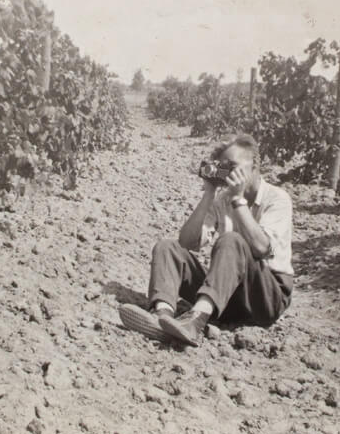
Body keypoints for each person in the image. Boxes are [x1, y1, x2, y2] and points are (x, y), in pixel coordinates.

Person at [119, 133, 294, 346]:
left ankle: (195, 320)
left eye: (233, 166)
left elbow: (261, 247)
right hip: (226, 297)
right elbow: (188, 242)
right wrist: (209, 193)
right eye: (223, 168)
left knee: (231, 240)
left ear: (255, 164)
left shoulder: (277, 198)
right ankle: (162, 317)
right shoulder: (222, 199)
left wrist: (238, 200)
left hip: (265, 298)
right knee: (167, 247)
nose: (228, 173)